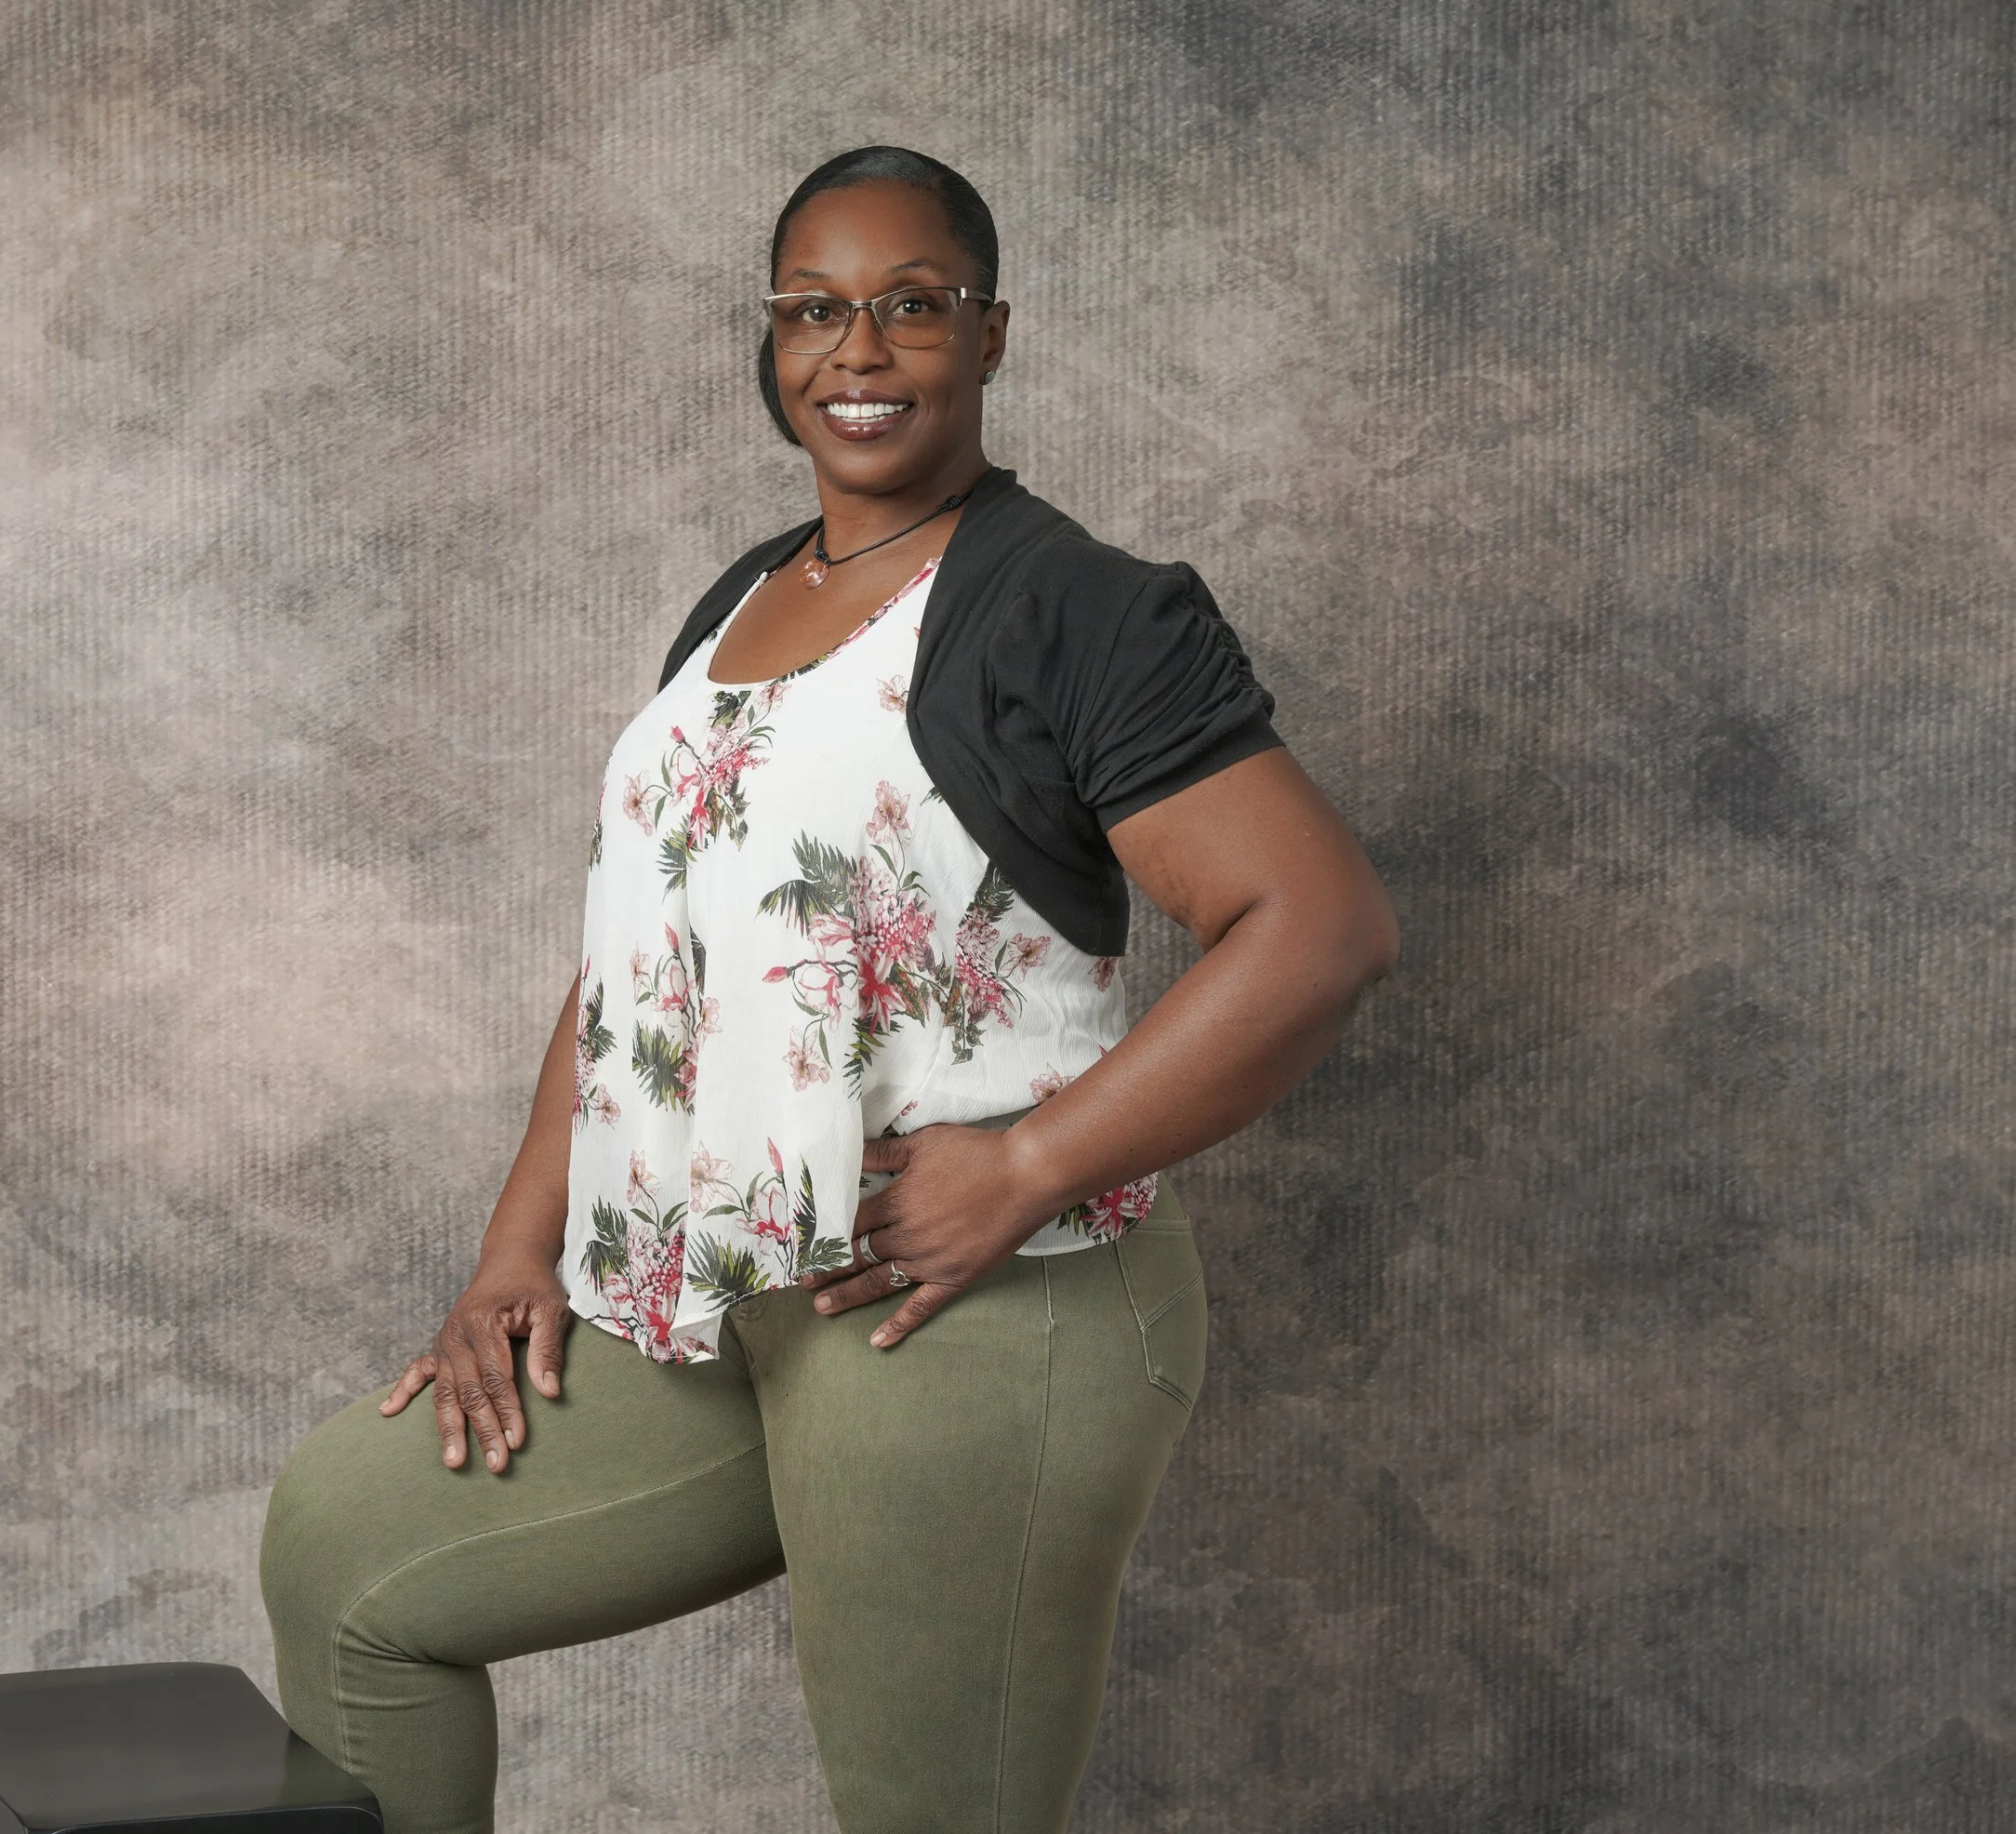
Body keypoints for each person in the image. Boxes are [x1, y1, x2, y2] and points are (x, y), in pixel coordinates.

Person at [259, 146, 1399, 1834]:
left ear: (990, 337)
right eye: (813, 310)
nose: (855, 352)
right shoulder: (745, 598)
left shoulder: (1078, 611)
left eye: (909, 307)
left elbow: (1319, 926)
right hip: (718, 1299)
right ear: (769, 339)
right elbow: (645, 957)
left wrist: (1020, 1166)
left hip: (975, 1309)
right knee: (353, 1557)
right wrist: (518, 1247)